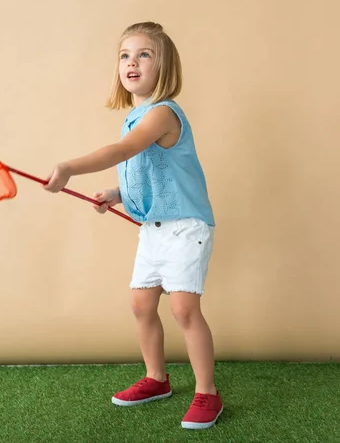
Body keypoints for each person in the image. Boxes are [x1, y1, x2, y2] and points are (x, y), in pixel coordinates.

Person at [44, 22, 223, 430]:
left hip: (185, 227)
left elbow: (123, 151)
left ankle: (208, 392)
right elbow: (147, 171)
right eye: (125, 55)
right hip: (154, 229)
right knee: (141, 305)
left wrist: (70, 167)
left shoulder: (162, 113)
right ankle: (157, 379)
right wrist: (116, 193)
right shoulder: (136, 116)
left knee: (183, 308)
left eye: (145, 54)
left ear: (165, 66)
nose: (132, 62)